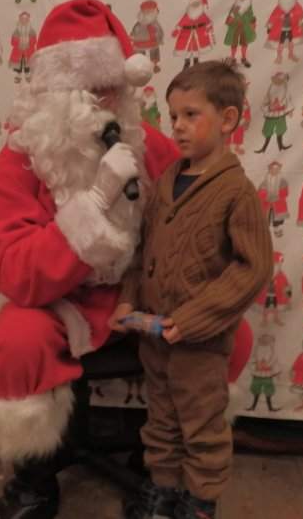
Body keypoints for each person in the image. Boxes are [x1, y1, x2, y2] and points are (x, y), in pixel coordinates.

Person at [0, 0, 178, 519]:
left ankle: (163, 464)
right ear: (53, 94)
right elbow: (16, 273)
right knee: (19, 341)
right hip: (59, 302)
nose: (103, 104)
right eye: (87, 91)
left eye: (111, 89)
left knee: (223, 334)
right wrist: (94, 205)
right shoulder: (20, 161)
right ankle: (34, 473)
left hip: (139, 294)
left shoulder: (151, 147)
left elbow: (197, 221)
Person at [111, 61, 273, 519]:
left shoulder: (236, 192)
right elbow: (142, 251)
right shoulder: (166, 182)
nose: (178, 126)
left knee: (201, 427)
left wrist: (193, 320)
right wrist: (127, 299)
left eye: (191, 114)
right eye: (173, 116)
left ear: (227, 119)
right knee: (160, 420)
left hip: (200, 345)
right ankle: (163, 491)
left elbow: (253, 269)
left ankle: (200, 502)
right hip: (155, 338)